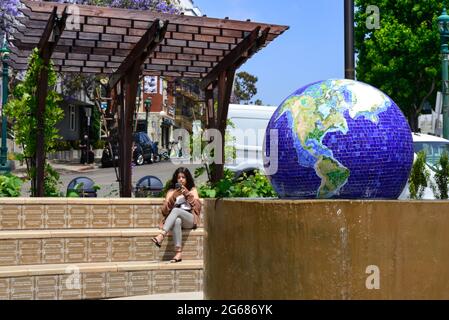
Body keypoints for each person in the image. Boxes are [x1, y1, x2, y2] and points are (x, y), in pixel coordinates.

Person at [152, 167, 201, 263]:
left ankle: (162, 235)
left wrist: (187, 194)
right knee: (177, 221)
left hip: (190, 219)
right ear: (176, 179)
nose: (181, 179)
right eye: (179, 177)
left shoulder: (192, 190)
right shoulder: (171, 192)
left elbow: (198, 208)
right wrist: (174, 196)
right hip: (176, 219)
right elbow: (165, 211)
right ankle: (178, 253)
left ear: (187, 179)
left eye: (183, 177)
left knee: (176, 210)